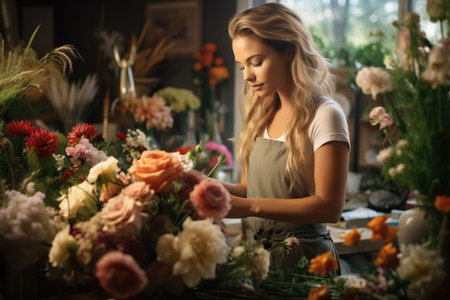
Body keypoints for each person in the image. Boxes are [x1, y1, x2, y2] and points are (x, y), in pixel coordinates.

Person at [223, 3, 350, 270]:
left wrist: (248, 208)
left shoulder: (326, 115)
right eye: (241, 66)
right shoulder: (262, 114)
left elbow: (329, 207)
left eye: (256, 62)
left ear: (289, 51)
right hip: (257, 263)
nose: (248, 75)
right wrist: (201, 187)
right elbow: (248, 190)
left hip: (305, 264)